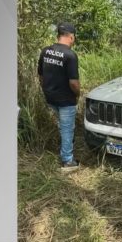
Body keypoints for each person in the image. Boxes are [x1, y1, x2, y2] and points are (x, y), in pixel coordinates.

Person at [38, 22, 80, 171]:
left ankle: (65, 148)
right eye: (73, 37)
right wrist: (78, 94)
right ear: (70, 37)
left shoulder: (45, 51)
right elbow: (74, 83)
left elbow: (41, 76)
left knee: (62, 125)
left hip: (50, 97)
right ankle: (67, 161)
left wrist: (46, 90)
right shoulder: (70, 55)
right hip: (66, 100)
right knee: (68, 128)